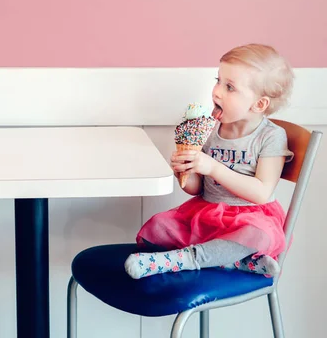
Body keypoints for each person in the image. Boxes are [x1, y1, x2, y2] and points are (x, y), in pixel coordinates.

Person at [125, 43, 294, 280]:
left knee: (257, 234)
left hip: (250, 215)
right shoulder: (211, 129)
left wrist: (213, 166)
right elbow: (197, 190)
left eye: (230, 87)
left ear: (259, 104)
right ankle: (238, 262)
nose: (217, 91)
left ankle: (183, 260)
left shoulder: (271, 136)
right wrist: (186, 172)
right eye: (218, 80)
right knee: (161, 226)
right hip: (208, 212)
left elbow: (261, 192)